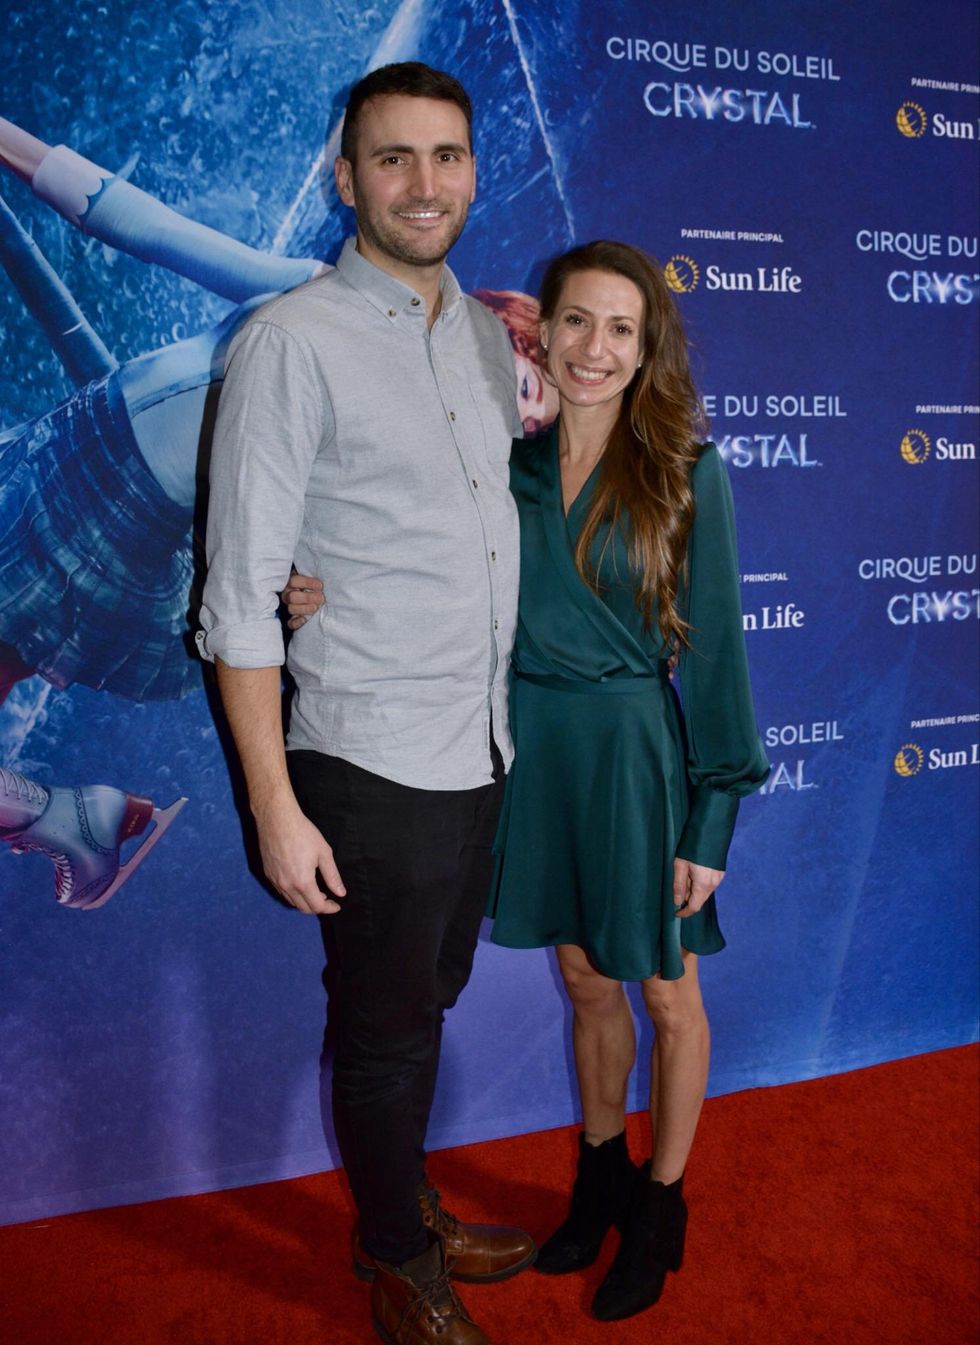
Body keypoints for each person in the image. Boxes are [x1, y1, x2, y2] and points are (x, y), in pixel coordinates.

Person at [197, 62, 535, 1345]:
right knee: (386, 1029)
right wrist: (274, 808)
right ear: (345, 178)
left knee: (425, 1000)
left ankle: (399, 1197)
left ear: (470, 170)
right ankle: (395, 1258)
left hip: (478, 744)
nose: (422, 183)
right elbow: (235, 599)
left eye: (444, 155)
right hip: (368, 759)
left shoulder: (474, 333)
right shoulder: (288, 341)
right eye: (391, 158)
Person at [489, 241, 769, 1321]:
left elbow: (718, 661)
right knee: (583, 983)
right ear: (540, 330)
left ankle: (659, 1204)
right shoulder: (504, 469)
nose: (593, 348)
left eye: (619, 328)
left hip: (638, 764)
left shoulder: (687, 474)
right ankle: (597, 1178)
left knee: (664, 989)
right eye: (575, 322)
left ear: (646, 346)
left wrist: (712, 816)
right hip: (538, 754)